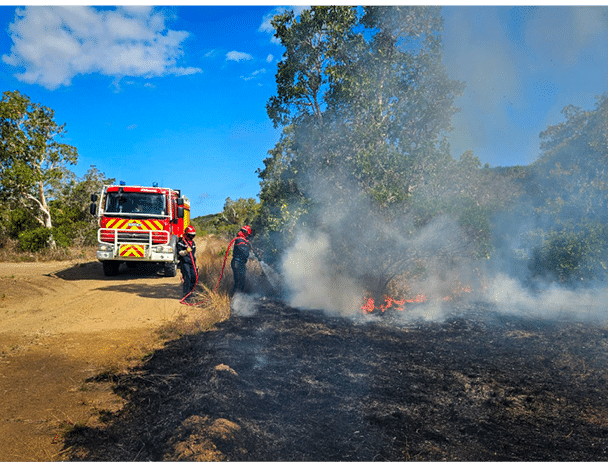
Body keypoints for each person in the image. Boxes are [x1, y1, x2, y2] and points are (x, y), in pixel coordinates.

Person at [230, 225, 252, 296]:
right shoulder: (240, 240)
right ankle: (234, 299)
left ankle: (240, 297)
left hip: (240, 263)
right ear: (245, 232)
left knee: (242, 282)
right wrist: (251, 255)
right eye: (248, 234)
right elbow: (245, 253)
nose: (248, 236)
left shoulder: (243, 240)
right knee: (238, 282)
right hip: (237, 263)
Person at [177, 225, 197, 302]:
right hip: (185, 263)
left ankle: (192, 293)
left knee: (194, 277)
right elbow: (179, 252)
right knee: (187, 277)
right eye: (191, 235)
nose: (192, 236)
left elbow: (193, 253)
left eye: (193, 235)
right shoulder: (182, 243)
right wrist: (185, 252)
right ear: (187, 234)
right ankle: (186, 295)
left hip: (192, 262)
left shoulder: (193, 243)